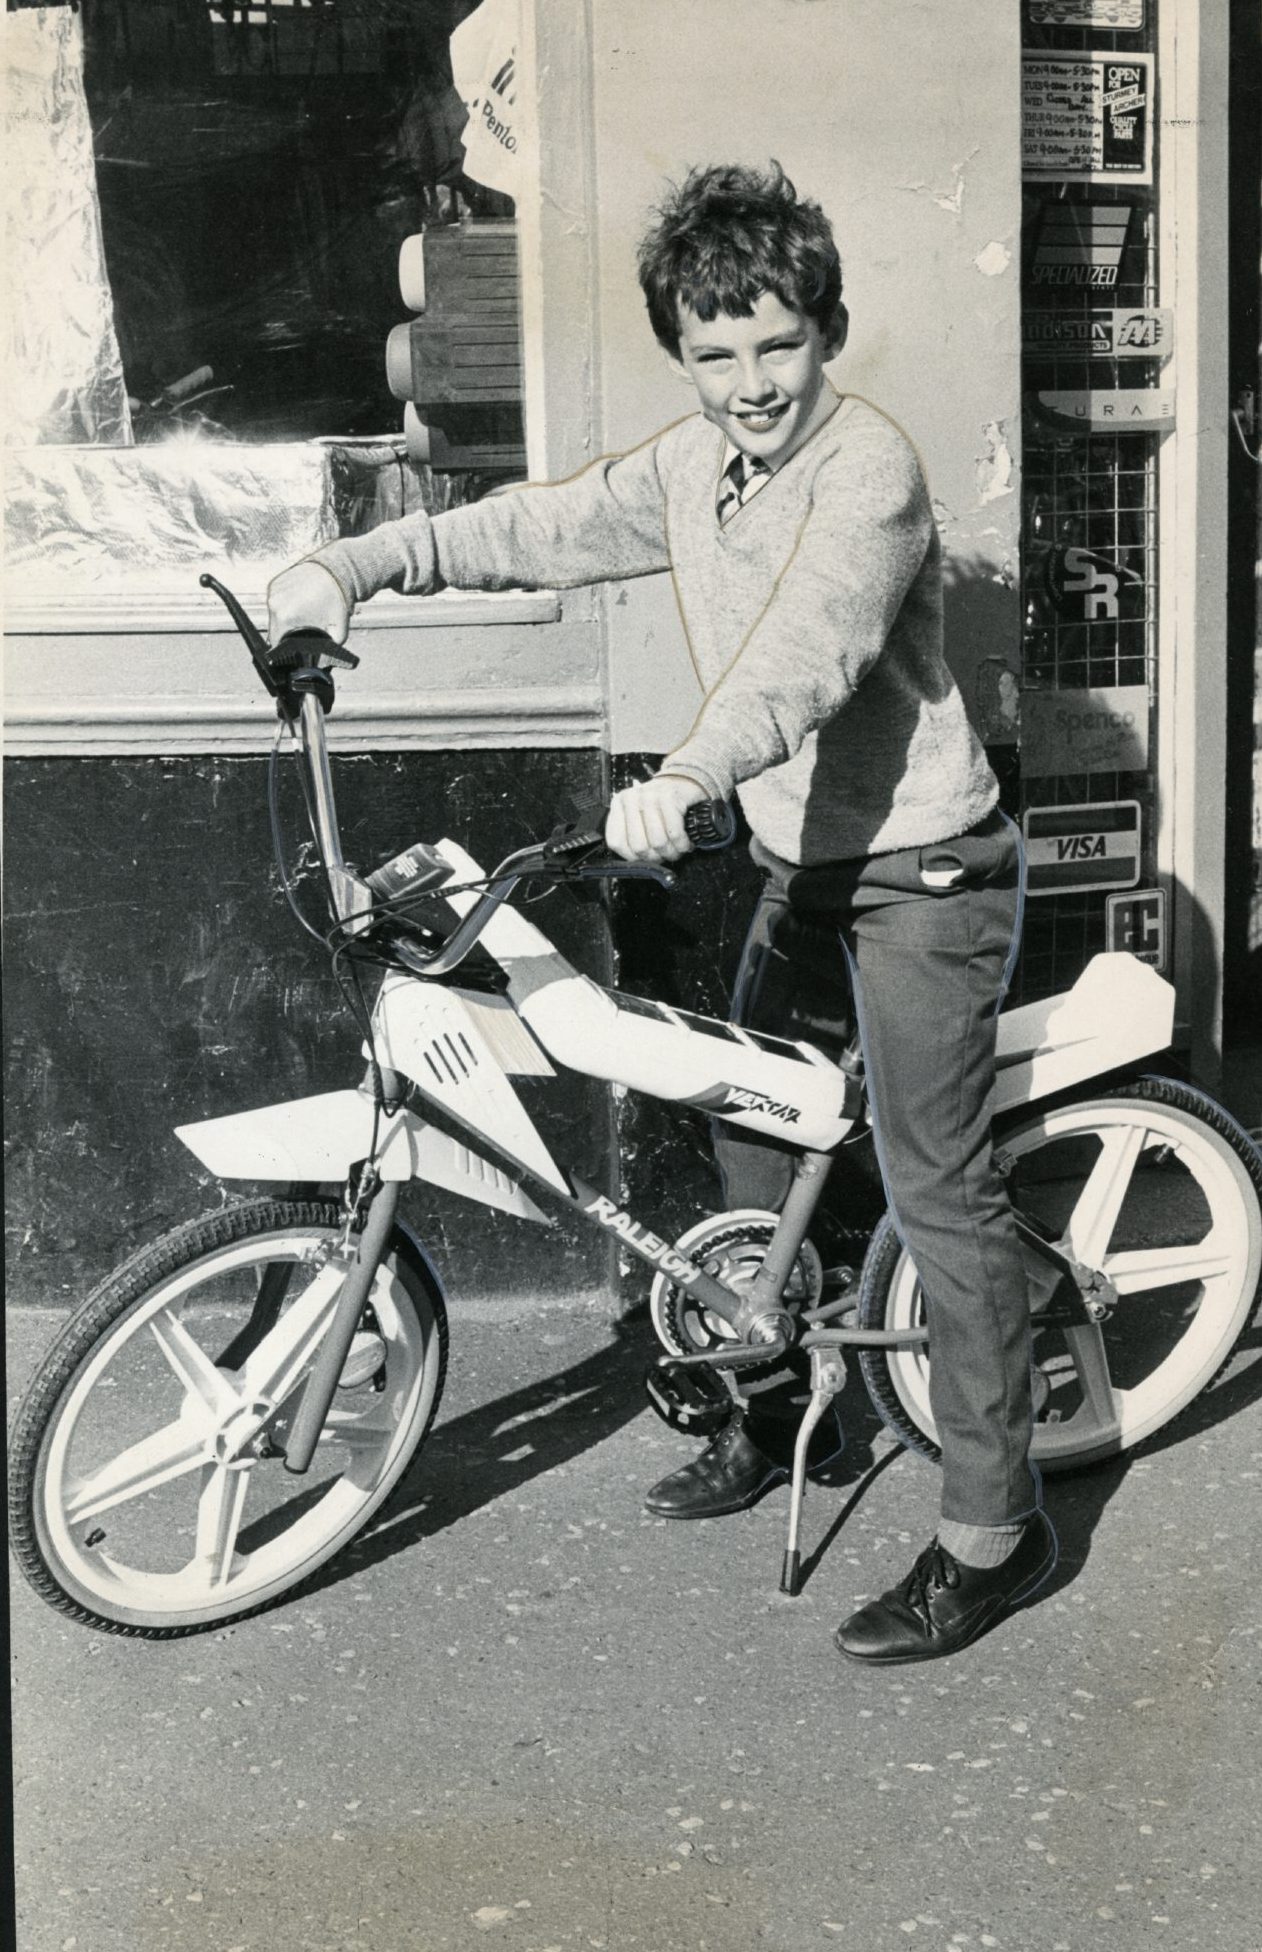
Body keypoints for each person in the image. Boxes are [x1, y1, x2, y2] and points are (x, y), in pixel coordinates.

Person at [269, 161, 1057, 1664]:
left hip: (919, 873)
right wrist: (352, 568)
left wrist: (687, 772)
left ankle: (992, 1529)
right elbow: (535, 525)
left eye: (777, 344)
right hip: (788, 859)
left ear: (824, 330)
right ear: (681, 358)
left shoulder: (867, 470)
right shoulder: (698, 467)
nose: (750, 382)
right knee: (744, 1140)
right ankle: (788, 1423)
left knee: (933, 1184)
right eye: (715, 354)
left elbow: (805, 656)